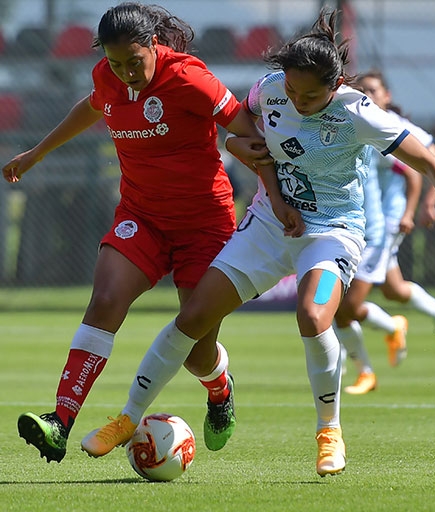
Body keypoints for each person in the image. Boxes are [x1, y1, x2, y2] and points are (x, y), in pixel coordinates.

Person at [80, 8, 435, 477]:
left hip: (331, 234)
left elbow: (431, 160)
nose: (298, 102)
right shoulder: (268, 92)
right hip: (267, 226)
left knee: (312, 314)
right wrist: (237, 149)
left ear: (336, 85)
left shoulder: (357, 112)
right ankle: (127, 416)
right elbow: (238, 135)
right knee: (194, 317)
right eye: (292, 91)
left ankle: (329, 432)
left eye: (311, 96)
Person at [2, 2, 284, 463]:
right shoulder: (107, 77)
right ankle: (60, 420)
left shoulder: (190, 77)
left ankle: (219, 387)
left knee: (196, 352)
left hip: (203, 222)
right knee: (106, 300)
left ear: (154, 44)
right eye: (116, 64)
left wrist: (270, 189)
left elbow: (243, 128)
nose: (127, 73)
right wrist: (37, 152)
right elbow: (91, 106)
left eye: (135, 61)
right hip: (142, 216)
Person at [335, 70, 435, 394]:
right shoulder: (355, 120)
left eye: (374, 90)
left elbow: (430, 166)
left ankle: (367, 368)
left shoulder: (396, 128)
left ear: (387, 95)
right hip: (362, 222)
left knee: (345, 309)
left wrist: (424, 206)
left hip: (386, 223)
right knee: (393, 290)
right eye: (362, 90)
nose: (368, 94)